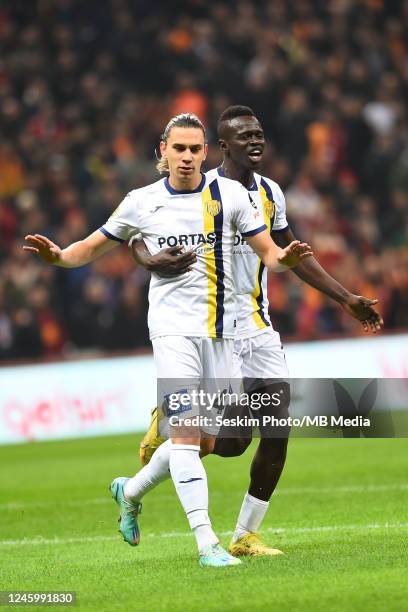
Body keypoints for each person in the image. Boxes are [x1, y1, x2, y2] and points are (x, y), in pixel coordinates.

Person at [23, 112, 313, 568]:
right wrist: (58, 256)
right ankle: (208, 544)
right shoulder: (141, 201)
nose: (187, 157)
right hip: (173, 332)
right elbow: (92, 246)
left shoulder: (231, 195)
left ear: (205, 152)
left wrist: (286, 258)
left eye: (195, 149)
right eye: (178, 148)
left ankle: (131, 489)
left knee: (233, 438)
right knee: (184, 435)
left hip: (223, 335)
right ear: (163, 150)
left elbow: (269, 256)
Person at [131, 106, 383, 558]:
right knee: (225, 445)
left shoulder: (269, 193)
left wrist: (345, 298)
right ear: (222, 147)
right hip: (213, 331)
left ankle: (245, 534)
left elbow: (292, 254)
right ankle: (149, 465)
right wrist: (143, 253)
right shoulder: (203, 191)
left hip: (258, 328)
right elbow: (140, 222)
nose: (256, 142)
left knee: (276, 427)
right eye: (245, 136)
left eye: (260, 134)